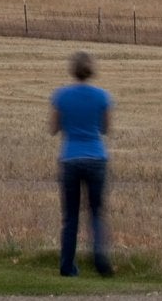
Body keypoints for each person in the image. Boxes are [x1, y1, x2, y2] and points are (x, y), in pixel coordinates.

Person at [49, 51, 114, 276]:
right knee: (96, 212)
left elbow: (53, 128)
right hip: (96, 157)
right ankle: (99, 259)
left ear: (72, 70)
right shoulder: (103, 97)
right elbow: (105, 129)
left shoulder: (60, 96)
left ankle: (67, 266)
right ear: (91, 70)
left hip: (70, 157)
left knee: (70, 215)